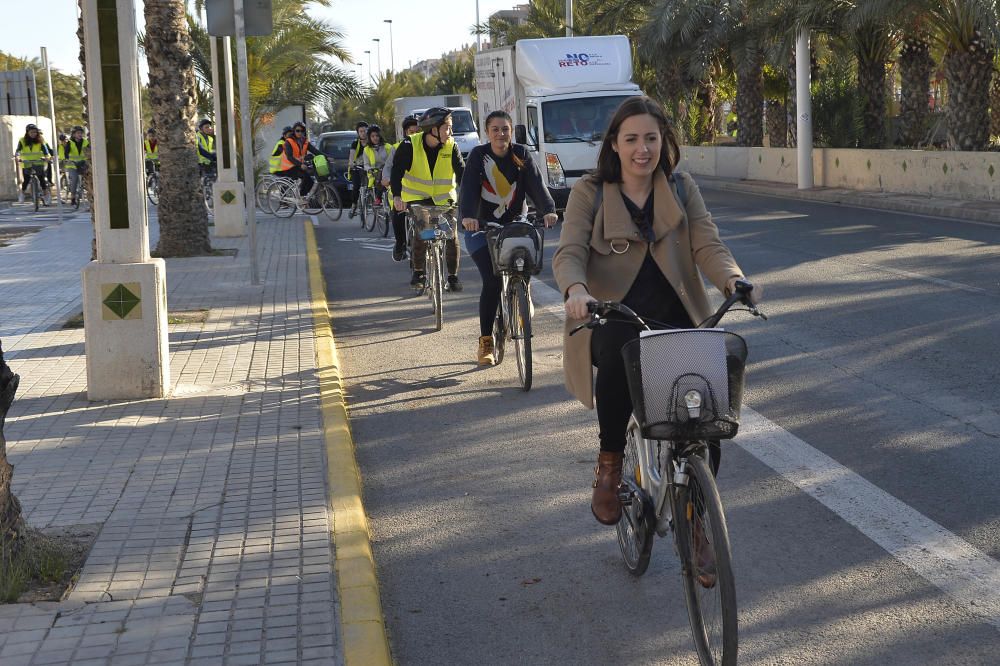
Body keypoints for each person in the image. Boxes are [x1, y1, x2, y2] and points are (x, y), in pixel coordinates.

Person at [552, 96, 761, 527]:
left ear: (663, 141)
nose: (641, 149)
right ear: (614, 144)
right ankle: (609, 462)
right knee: (616, 355)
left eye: (651, 138)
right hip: (612, 313)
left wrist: (733, 280)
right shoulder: (589, 192)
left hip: (678, 315)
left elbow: (708, 244)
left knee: (707, 417)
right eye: (631, 139)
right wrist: (576, 289)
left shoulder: (681, 188)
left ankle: (699, 522)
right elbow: (569, 251)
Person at [459, 110, 557, 365]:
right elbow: (468, 189)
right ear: (487, 132)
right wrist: (468, 216)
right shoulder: (479, 157)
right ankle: (486, 342)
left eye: (505, 129)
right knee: (491, 280)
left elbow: (536, 184)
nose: (501, 134)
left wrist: (548, 210)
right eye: (495, 129)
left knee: (523, 266)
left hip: (515, 227)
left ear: (511, 132)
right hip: (482, 229)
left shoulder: (521, 154)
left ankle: (520, 293)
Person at [390, 107, 466, 292]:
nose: (450, 132)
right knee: (423, 230)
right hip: (416, 199)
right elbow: (396, 172)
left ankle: (453, 277)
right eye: (447, 127)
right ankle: (419, 272)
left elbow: (463, 174)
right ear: (433, 129)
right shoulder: (409, 145)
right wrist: (398, 197)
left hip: (445, 200)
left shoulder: (451, 145)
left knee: (450, 234)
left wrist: (470, 199)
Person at [384, 115, 420, 261]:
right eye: (412, 132)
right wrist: (386, 178)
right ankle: (400, 244)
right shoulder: (397, 148)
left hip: (420, 192)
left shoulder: (426, 147)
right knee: (398, 215)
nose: (415, 135)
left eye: (418, 131)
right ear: (406, 132)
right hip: (401, 192)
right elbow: (388, 167)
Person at [277, 121, 322, 196]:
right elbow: (290, 157)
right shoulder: (289, 141)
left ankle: (301, 197)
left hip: (297, 165)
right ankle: (300, 198)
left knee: (309, 181)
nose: (300, 133)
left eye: (302, 131)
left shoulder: (304, 141)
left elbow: (315, 151)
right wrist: (301, 164)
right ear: (294, 131)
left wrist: (326, 156)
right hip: (288, 166)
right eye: (297, 131)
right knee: (306, 177)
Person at [14, 124, 52, 203]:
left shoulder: (40, 140)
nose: (33, 134)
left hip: (38, 161)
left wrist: (47, 157)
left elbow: (46, 151)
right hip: (26, 162)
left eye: (35, 132)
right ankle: (22, 193)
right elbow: (18, 150)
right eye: (31, 132)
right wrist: (17, 157)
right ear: (27, 132)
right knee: (26, 180)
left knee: (42, 179)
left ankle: (46, 194)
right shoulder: (22, 140)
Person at [61, 126, 90, 206]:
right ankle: (73, 197)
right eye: (78, 133)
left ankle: (90, 195)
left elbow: (89, 151)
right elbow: (66, 153)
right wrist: (67, 159)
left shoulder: (85, 142)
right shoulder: (70, 143)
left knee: (88, 178)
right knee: (74, 179)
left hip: (83, 164)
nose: (80, 134)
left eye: (81, 133)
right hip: (72, 165)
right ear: (73, 134)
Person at [362, 125, 390, 206]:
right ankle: (378, 198)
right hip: (374, 175)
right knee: (381, 175)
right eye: (372, 136)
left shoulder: (387, 147)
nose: (375, 138)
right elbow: (366, 164)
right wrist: (369, 169)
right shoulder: (366, 150)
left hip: (388, 172)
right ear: (369, 138)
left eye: (377, 135)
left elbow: (393, 159)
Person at [347, 120, 369, 218]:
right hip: (357, 168)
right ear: (358, 133)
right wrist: (352, 164)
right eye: (361, 131)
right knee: (356, 186)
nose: (363, 133)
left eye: (365, 131)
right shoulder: (355, 143)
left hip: (369, 168)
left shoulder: (371, 141)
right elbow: (351, 157)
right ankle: (354, 205)